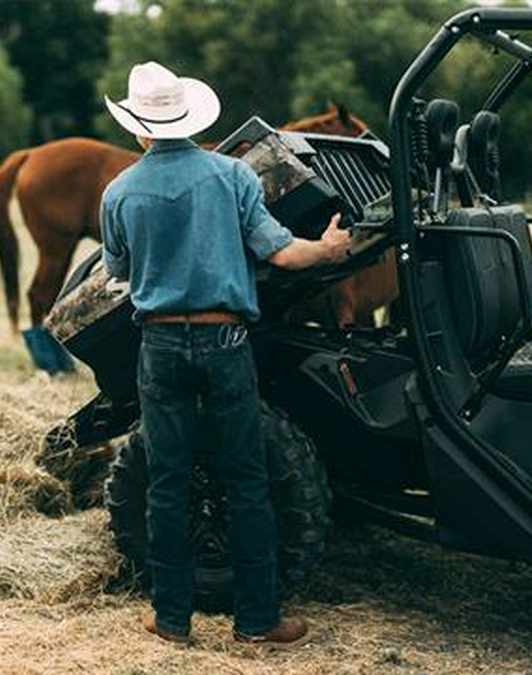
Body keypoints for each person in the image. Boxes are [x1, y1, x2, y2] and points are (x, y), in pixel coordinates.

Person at [100, 62, 350, 647]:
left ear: (139, 128)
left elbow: (117, 270)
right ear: (188, 117)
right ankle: (258, 621)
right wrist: (332, 249)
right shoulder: (232, 176)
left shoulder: (118, 192)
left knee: (167, 480)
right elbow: (284, 255)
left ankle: (171, 618)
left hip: (158, 344)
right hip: (226, 341)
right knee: (246, 476)